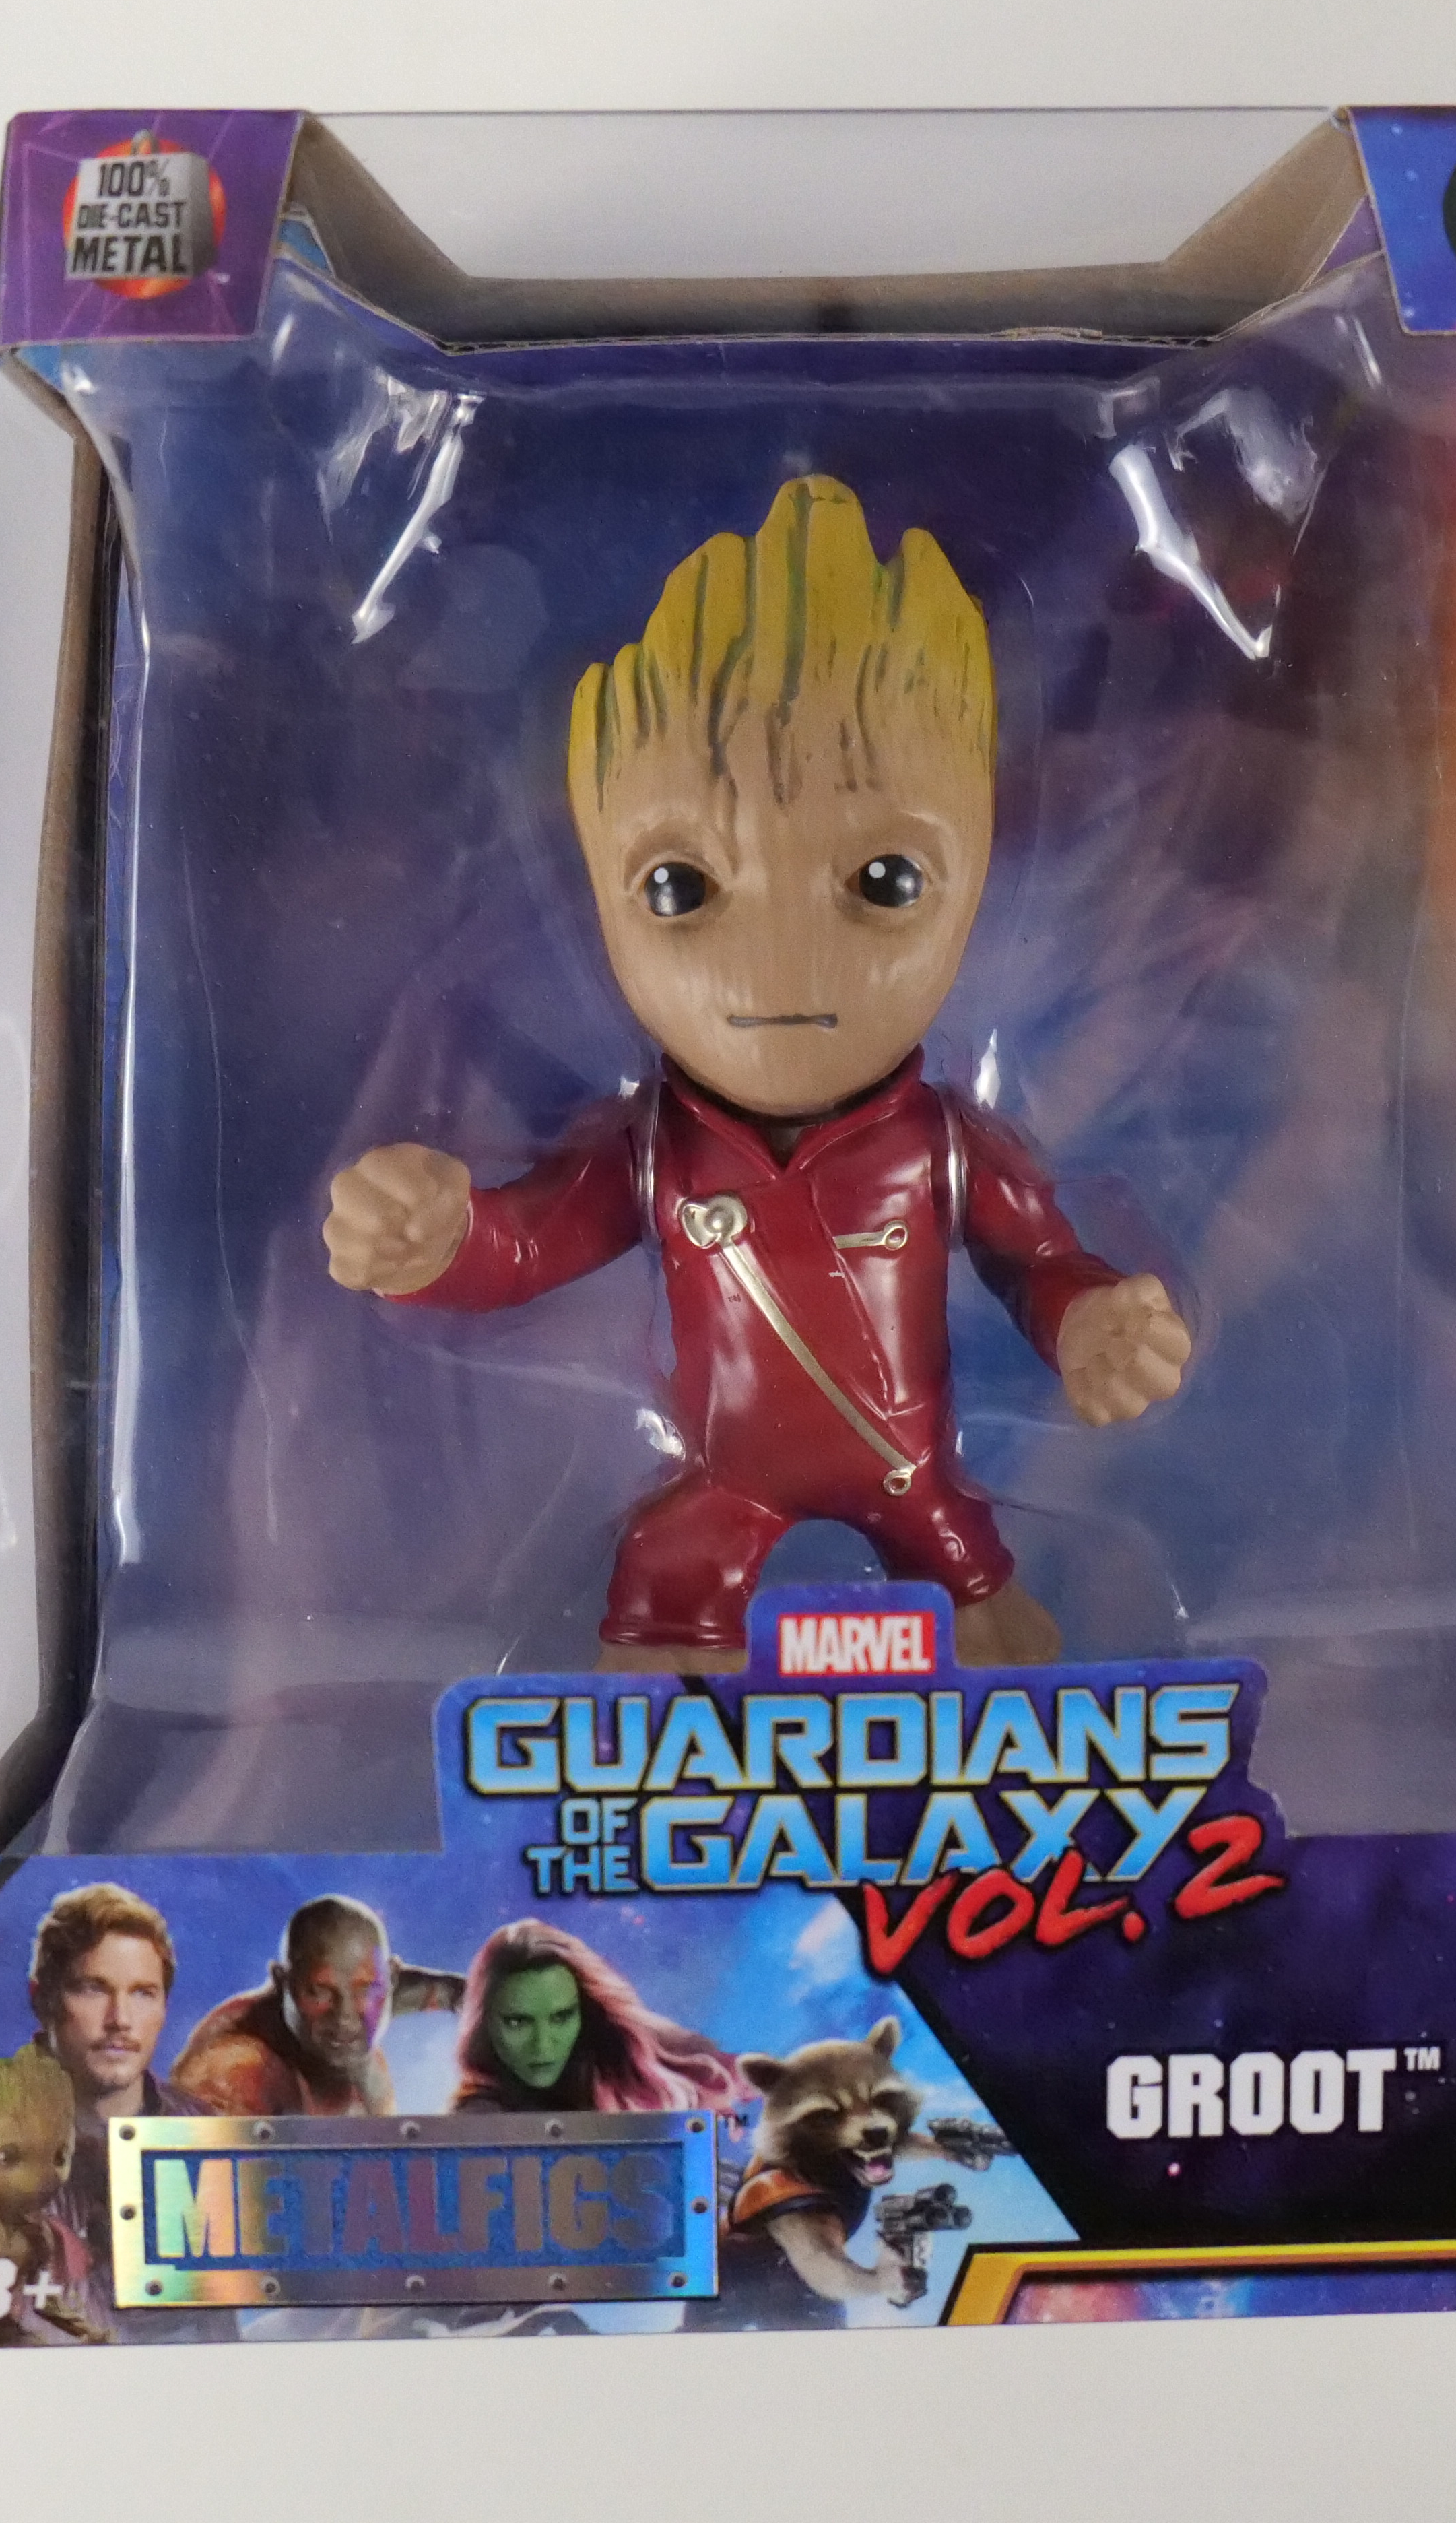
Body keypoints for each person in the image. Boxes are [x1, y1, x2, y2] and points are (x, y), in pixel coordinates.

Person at [322, 476, 1193, 1670]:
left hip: (916, 1480)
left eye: (885, 882)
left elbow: (1036, 1260)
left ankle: (1002, 1762)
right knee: (662, 1598)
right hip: (721, 1483)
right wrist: (433, 1242)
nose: (777, 960)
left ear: (980, 872)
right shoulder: (650, 1153)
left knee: (992, 1631)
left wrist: (1091, 1320)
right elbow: (526, 1245)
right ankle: (666, 1772)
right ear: (601, 899)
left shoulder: (944, 1147)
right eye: (679, 888)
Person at [0, 1881, 209, 2332]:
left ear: (164, 2006)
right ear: (43, 1998)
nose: (120, 2020)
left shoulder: (207, 2130)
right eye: (93, 1989)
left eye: (143, 1993)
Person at [165, 1894, 462, 2116]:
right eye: (320, 1992)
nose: (345, 2018)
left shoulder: (360, 2002)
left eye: (365, 1990)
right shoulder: (233, 2072)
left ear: (390, 1979)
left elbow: (432, 1991)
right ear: (282, 1983)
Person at [450, 1917, 749, 2115]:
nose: (543, 2045)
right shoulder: (479, 2117)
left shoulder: (619, 2046)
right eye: (518, 2023)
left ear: (585, 2012)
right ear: (485, 2024)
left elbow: (745, 2075)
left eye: (561, 2017)